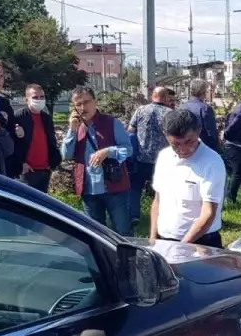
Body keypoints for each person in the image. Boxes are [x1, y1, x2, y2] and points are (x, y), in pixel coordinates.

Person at [61, 86, 135, 235]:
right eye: (78, 104)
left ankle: (127, 258)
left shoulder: (111, 123)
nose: (83, 107)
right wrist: (72, 130)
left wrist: (108, 152)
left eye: (87, 102)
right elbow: (66, 155)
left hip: (114, 187)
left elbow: (128, 150)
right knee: (95, 233)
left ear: (95, 102)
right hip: (89, 190)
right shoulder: (76, 128)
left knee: (123, 231)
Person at [149, 109, 226, 248]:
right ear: (166, 136)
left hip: (200, 243)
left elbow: (208, 213)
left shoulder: (212, 162)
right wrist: (153, 238)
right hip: (164, 241)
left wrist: (182, 247)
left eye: (189, 141)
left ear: (198, 132)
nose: (183, 149)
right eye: (176, 144)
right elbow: (158, 201)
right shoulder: (164, 157)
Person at [126, 86, 172, 226]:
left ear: (153, 96)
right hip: (162, 160)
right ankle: (162, 215)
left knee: (135, 188)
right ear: (165, 98)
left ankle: (134, 215)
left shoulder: (141, 110)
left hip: (140, 158)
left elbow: (130, 130)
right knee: (162, 190)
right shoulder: (170, 113)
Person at [11, 84, 62, 192]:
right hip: (27, 172)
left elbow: (51, 141)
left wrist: (53, 162)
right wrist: (21, 164)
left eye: (42, 97)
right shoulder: (19, 117)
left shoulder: (46, 118)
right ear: (27, 100)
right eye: (35, 97)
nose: (39, 100)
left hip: (45, 170)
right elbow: (12, 143)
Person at [181, 78, 220, 151]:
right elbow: (211, 134)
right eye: (207, 90)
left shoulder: (181, 107)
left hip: (184, 149)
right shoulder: (205, 108)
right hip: (202, 150)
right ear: (203, 91)